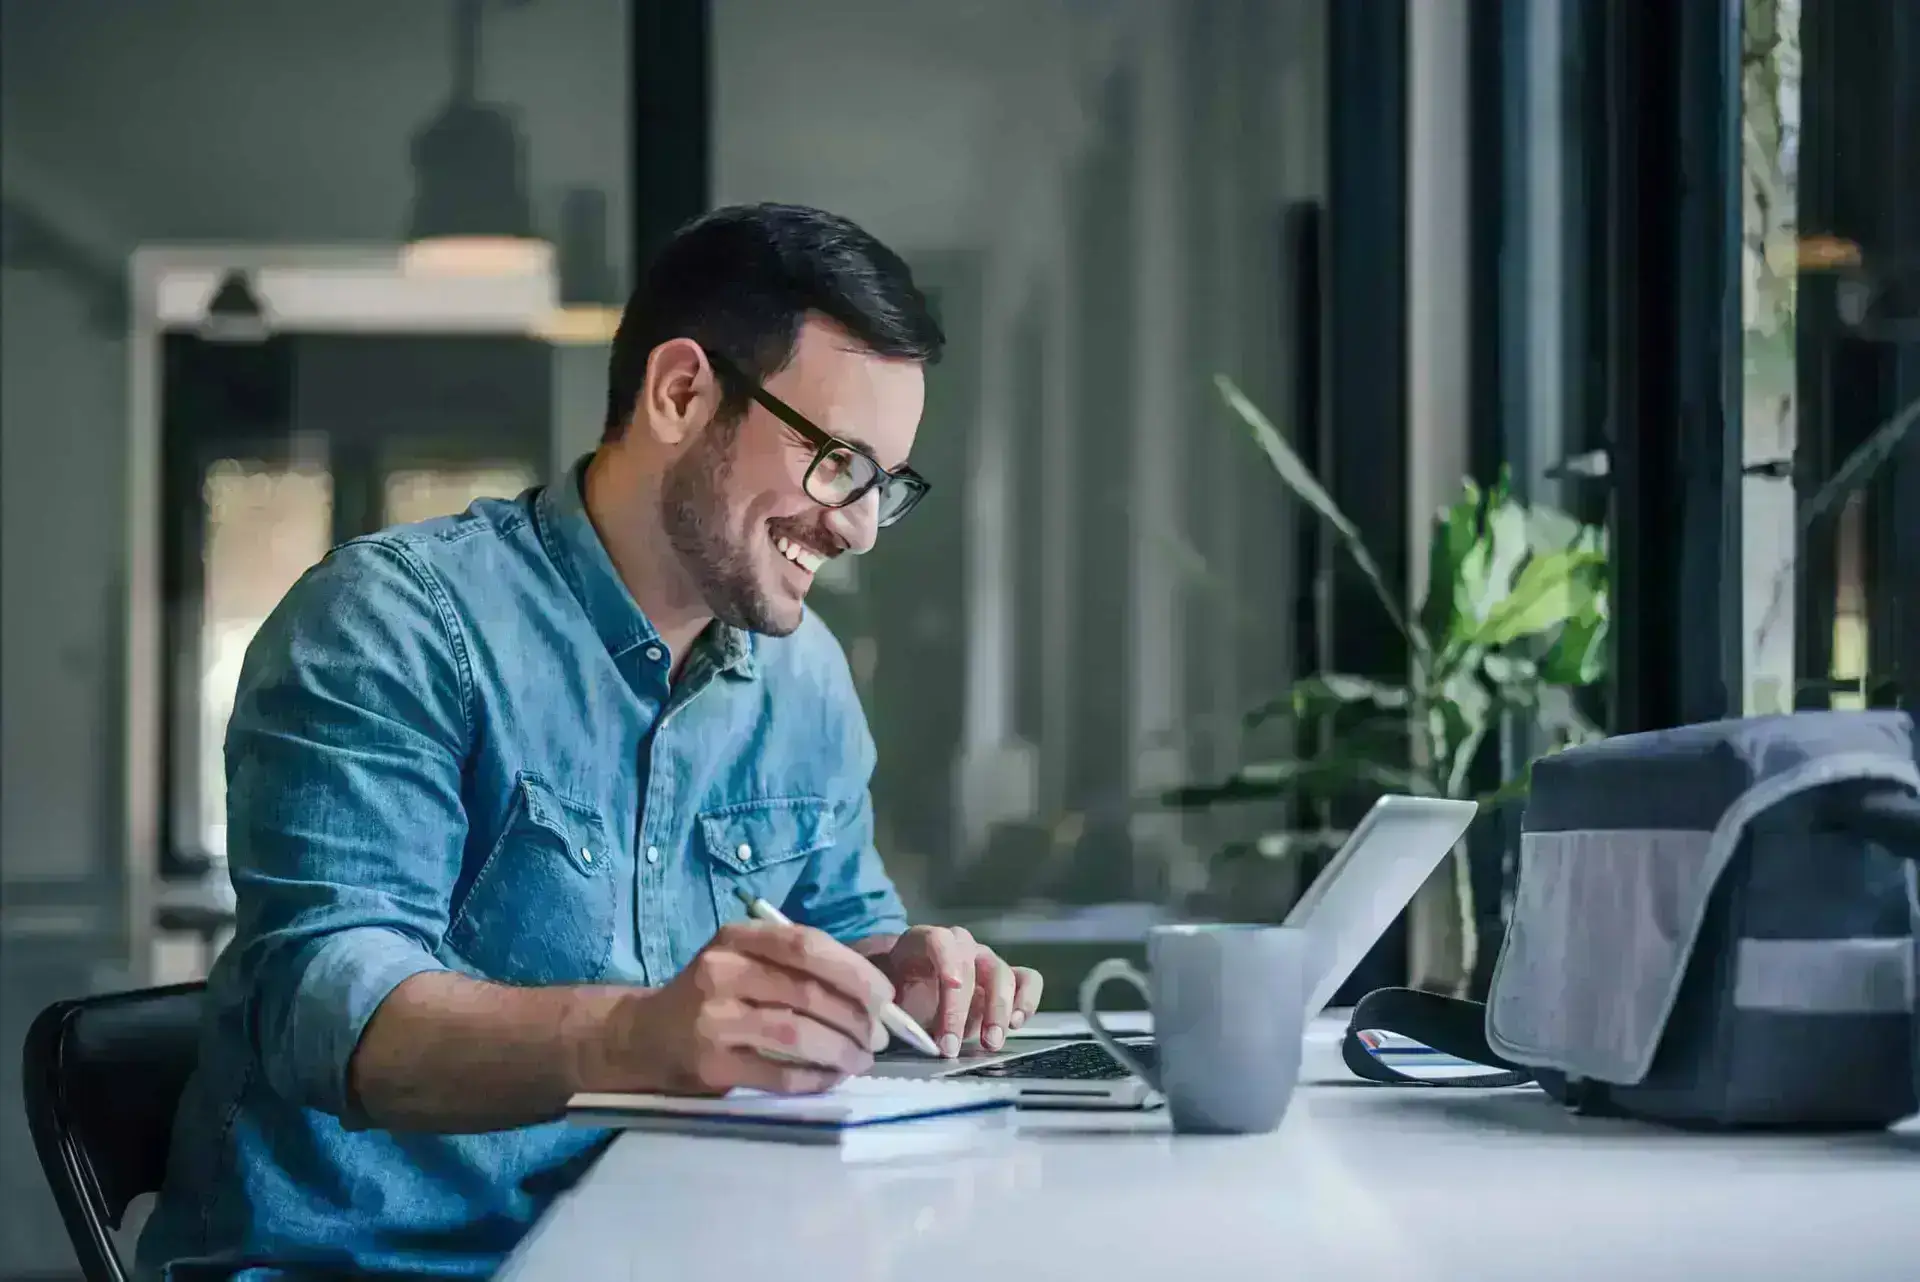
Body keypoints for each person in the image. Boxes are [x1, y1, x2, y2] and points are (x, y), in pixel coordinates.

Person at [137, 202, 1044, 1280]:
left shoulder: (805, 683)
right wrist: (643, 1036)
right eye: (838, 462)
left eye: (884, 486)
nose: (854, 526)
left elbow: (843, 931)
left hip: (663, 1252)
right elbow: (330, 1004)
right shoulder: (393, 621)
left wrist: (899, 978)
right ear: (680, 393)